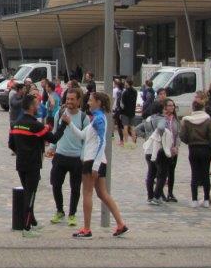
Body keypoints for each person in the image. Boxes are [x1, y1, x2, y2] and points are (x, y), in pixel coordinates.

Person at [72, 91, 128, 239]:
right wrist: (69, 123)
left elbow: (103, 141)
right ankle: (120, 224)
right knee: (102, 194)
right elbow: (82, 135)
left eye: (91, 100)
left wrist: (95, 166)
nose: (88, 103)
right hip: (98, 160)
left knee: (87, 193)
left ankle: (87, 229)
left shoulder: (98, 119)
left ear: (99, 103)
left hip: (92, 160)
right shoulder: (97, 118)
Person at [9, 94, 56, 237]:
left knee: (27, 193)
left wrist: (22, 152)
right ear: (31, 107)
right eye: (37, 104)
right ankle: (26, 228)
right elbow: (54, 138)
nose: (38, 107)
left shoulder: (16, 123)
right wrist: (64, 125)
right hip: (33, 164)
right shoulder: (35, 125)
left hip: (21, 163)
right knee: (30, 195)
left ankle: (33, 221)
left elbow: (11, 144)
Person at [48, 85, 85, 227]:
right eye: (68, 99)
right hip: (60, 155)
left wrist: (83, 157)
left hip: (76, 158)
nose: (69, 101)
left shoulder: (84, 118)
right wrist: (52, 148)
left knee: (75, 188)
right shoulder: (60, 113)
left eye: (72, 99)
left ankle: (72, 214)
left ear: (79, 100)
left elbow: (86, 140)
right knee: (56, 184)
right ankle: (59, 210)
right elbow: (55, 132)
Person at [179, 98, 211, 208]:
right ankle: (206, 200)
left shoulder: (187, 120)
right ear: (203, 107)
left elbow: (182, 136)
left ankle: (194, 200)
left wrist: (189, 141)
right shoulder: (207, 120)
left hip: (193, 149)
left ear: (193, 107)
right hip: (205, 149)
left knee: (194, 174)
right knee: (205, 175)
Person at [139, 101, 167, 204]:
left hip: (148, 150)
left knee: (151, 174)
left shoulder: (148, 119)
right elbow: (161, 128)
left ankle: (150, 196)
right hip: (158, 149)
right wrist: (158, 136)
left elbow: (137, 129)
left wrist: (146, 136)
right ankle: (157, 196)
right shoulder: (161, 119)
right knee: (162, 174)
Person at [119, 78, 138, 147]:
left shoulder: (125, 92)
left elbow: (122, 104)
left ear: (127, 83)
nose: (124, 84)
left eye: (125, 82)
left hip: (125, 112)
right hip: (132, 112)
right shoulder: (135, 91)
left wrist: (120, 112)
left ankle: (126, 142)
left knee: (125, 127)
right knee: (132, 127)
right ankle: (133, 143)